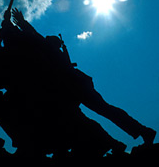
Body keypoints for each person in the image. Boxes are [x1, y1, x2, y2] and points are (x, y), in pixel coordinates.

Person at [10, 8, 157, 150]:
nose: (45, 39)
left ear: (52, 43)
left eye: (48, 39)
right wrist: (20, 24)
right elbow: (34, 36)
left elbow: (34, 35)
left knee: (88, 114)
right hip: (74, 86)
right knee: (101, 111)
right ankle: (132, 135)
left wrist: (21, 23)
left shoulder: (51, 51)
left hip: (73, 86)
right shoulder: (54, 52)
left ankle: (116, 141)